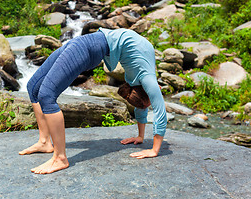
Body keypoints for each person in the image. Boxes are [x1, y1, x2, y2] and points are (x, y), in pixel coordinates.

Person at [19, 28, 167, 174]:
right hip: (86, 44)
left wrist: (140, 137)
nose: (157, 94)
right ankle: (44, 142)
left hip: (88, 45)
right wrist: (154, 150)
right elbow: (160, 110)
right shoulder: (147, 79)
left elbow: (141, 106)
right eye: (151, 98)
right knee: (34, 87)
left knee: (46, 95)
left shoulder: (138, 80)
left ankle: (60, 158)